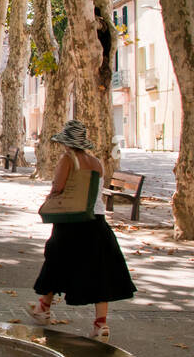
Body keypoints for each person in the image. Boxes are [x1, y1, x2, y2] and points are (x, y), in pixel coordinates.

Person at [29, 119, 136, 339]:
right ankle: (101, 324)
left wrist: (51, 197)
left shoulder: (68, 160)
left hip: (71, 221)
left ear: (66, 143)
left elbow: (58, 187)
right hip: (96, 221)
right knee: (100, 271)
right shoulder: (97, 162)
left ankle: (43, 309)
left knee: (56, 262)